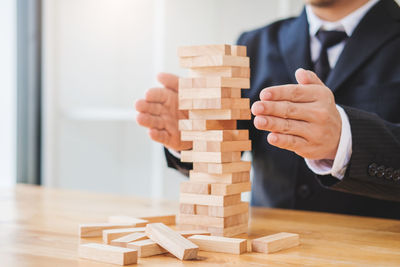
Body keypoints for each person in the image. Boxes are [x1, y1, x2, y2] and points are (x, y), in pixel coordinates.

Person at [135, 0, 400, 219]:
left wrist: (346, 139)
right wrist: (197, 138)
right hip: (264, 249)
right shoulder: (254, 42)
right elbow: (231, 140)